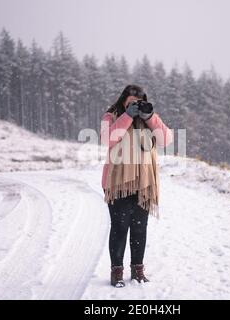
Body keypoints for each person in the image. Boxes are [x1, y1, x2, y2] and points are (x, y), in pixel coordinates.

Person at [100, 84, 173, 287]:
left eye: (138, 102)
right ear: (123, 100)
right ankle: (116, 272)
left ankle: (138, 270)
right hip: (117, 183)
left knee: (140, 229)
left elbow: (166, 139)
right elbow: (108, 139)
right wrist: (127, 117)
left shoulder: (148, 118)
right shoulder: (112, 116)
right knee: (120, 227)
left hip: (143, 183)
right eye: (130, 102)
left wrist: (149, 117)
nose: (134, 105)